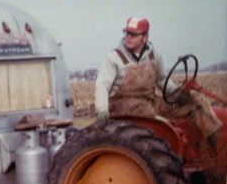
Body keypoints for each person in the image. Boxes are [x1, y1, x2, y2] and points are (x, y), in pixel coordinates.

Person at [94, 17, 222, 142]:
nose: (128, 37)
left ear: (145, 37)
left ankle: (215, 142)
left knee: (195, 102)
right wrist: (102, 110)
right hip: (122, 106)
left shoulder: (153, 55)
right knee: (158, 120)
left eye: (133, 34)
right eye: (127, 33)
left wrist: (177, 94)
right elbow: (102, 85)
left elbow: (161, 80)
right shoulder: (114, 58)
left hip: (149, 102)